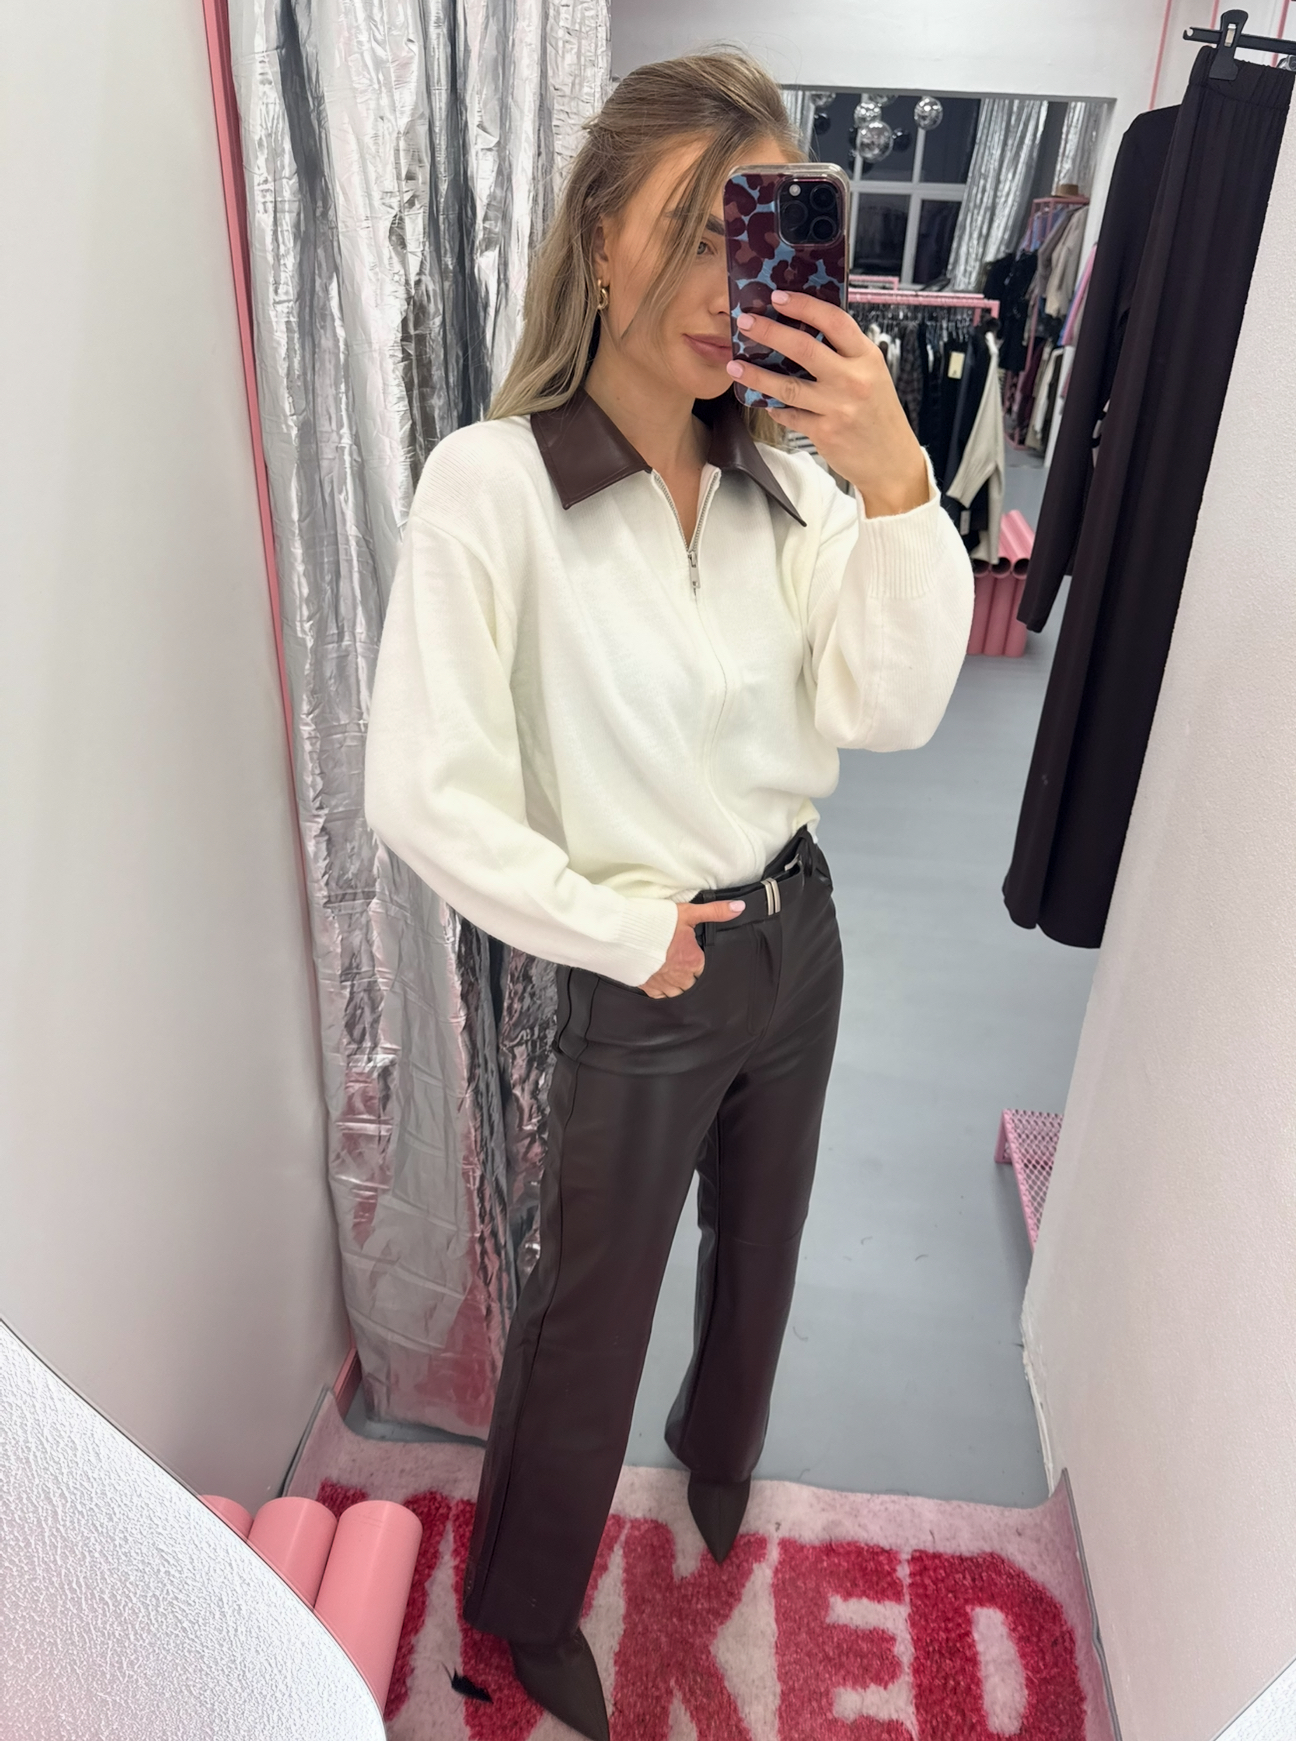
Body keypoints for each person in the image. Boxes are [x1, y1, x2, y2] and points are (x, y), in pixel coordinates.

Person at [364, 50, 973, 1741]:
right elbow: (419, 787)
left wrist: (896, 481)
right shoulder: (495, 485)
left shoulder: (792, 487)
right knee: (589, 1313)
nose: (729, 280)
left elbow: (890, 708)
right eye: (695, 230)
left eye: (760, 232)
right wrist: (620, 928)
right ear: (601, 240)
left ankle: (719, 1460)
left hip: (800, 933)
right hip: (640, 971)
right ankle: (522, 1602)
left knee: (764, 1247)